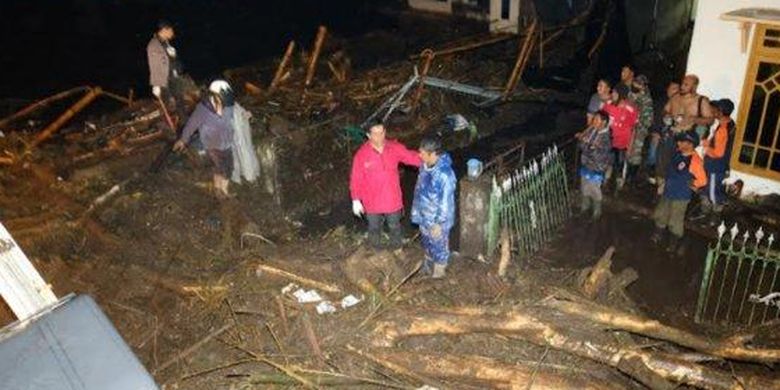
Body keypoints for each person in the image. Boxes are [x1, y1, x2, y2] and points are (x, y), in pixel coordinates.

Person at [350, 122, 422, 251]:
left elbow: (411, 157)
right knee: (374, 228)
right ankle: (376, 252)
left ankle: (396, 250)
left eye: (382, 132)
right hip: (371, 201)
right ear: (368, 135)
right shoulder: (361, 155)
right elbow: (356, 178)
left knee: (395, 226)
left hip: (392, 198)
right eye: (375, 133)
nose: (380, 137)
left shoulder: (394, 148)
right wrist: (355, 199)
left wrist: (430, 161)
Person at [174, 80, 236, 198]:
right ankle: (223, 192)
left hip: (227, 142)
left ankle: (219, 189)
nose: (225, 105)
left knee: (228, 168)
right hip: (212, 144)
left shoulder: (229, 104)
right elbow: (192, 124)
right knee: (223, 168)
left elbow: (235, 112)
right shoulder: (203, 109)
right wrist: (183, 139)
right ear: (214, 95)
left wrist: (244, 114)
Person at [651, 130, 707, 254]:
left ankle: (672, 244)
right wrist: (663, 184)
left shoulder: (695, 160)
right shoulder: (677, 153)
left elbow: (702, 180)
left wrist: (693, 184)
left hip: (681, 196)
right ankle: (657, 235)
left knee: (675, 220)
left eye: (682, 141)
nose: (679, 143)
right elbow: (669, 171)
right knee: (661, 213)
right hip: (668, 191)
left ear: (690, 144)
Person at [411, 136, 456, 278]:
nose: (419, 155)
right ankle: (428, 266)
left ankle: (439, 272)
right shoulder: (424, 167)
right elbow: (419, 191)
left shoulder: (445, 175)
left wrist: (438, 223)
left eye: (423, 153)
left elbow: (446, 203)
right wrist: (417, 213)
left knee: (439, 246)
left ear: (433, 154)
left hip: (437, 220)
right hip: (424, 215)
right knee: (426, 243)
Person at [701, 99, 735, 218]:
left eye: (716, 110)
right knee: (713, 188)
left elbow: (718, 153)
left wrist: (706, 146)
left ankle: (715, 216)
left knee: (712, 192)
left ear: (720, 112)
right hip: (720, 165)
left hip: (715, 165)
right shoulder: (729, 124)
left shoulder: (723, 129)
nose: (713, 112)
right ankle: (710, 213)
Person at [576, 110, 612, 220]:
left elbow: (594, 152)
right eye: (594, 119)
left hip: (597, 167)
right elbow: (582, 145)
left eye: (597, 119)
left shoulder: (606, 137)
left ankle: (597, 211)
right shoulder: (592, 130)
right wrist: (587, 144)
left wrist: (586, 144)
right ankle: (585, 207)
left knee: (594, 189)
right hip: (586, 164)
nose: (593, 121)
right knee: (584, 186)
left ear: (604, 122)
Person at [602, 83, 638, 190]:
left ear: (621, 95)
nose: (612, 94)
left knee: (620, 164)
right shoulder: (608, 105)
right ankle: (605, 182)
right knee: (607, 162)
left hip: (622, 143)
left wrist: (630, 146)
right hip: (608, 140)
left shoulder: (630, 109)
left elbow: (634, 129)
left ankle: (619, 185)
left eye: (615, 92)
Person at [147, 20, 184, 118]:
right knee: (171, 107)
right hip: (165, 82)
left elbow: (170, 62)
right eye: (171, 30)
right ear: (164, 30)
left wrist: (173, 56)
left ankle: (185, 126)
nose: (173, 33)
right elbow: (154, 65)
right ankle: (174, 130)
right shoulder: (154, 45)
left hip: (174, 78)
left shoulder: (166, 42)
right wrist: (156, 84)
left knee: (180, 104)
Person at [648, 81, 680, 183]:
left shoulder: (679, 103)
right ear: (668, 90)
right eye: (673, 88)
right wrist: (655, 132)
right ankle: (652, 172)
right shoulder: (660, 102)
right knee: (653, 153)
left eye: (677, 89)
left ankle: (663, 177)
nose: (675, 91)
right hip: (658, 132)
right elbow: (654, 118)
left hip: (671, 135)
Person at [626, 74, 654, 182]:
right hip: (625, 126)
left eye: (638, 84)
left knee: (635, 153)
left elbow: (648, 120)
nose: (635, 85)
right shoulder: (630, 93)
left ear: (643, 86)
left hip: (639, 129)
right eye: (635, 82)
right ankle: (620, 172)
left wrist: (637, 125)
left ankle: (631, 177)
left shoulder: (646, 99)